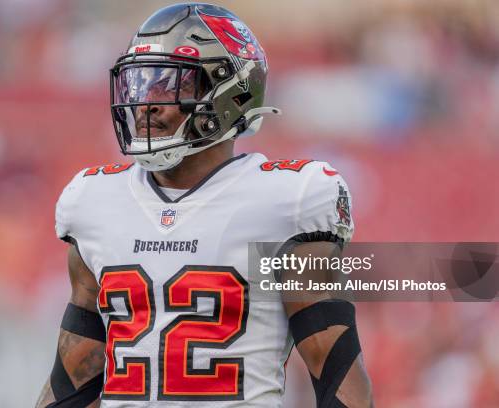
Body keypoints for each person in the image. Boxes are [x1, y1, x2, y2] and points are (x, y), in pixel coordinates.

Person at [36, 3, 373, 407]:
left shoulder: (286, 200)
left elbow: (334, 372)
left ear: (230, 92)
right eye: (139, 84)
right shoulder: (93, 202)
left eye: (167, 84)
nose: (147, 102)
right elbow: (74, 379)